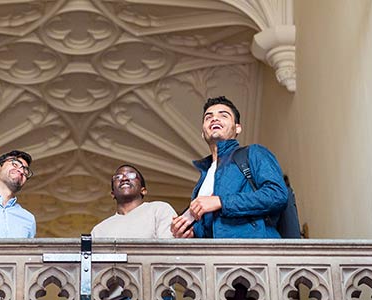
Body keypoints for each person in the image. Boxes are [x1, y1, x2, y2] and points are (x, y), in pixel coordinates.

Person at [171, 96, 291, 238]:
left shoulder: (253, 153)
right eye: (208, 117)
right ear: (203, 133)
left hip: (255, 250)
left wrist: (221, 201)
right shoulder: (204, 179)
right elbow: (211, 227)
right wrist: (191, 232)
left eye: (223, 115)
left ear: (237, 128)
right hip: (216, 256)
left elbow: (277, 194)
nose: (214, 119)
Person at [91, 165, 176, 238]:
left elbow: (170, 251)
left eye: (131, 175)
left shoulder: (159, 210)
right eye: (118, 177)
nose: (124, 178)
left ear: (143, 190)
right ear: (112, 194)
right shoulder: (99, 230)